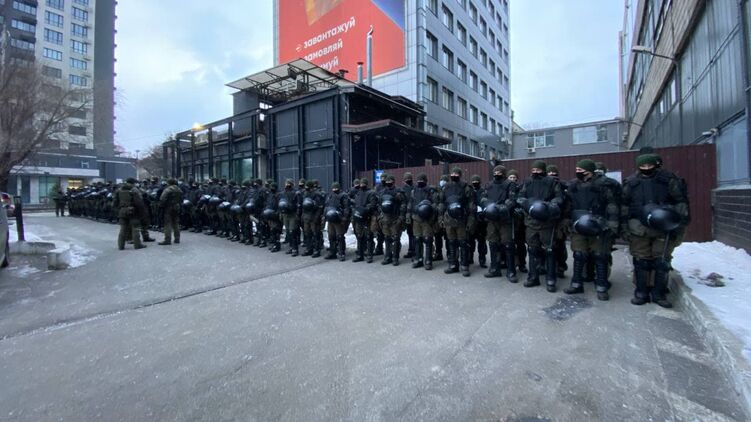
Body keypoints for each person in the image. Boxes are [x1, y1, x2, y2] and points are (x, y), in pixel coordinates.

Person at [621, 153, 690, 308]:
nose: (646, 169)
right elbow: (624, 206)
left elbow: (681, 202)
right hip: (638, 227)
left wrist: (678, 225)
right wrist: (624, 227)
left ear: (655, 165)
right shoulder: (631, 183)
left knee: (662, 261)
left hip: (663, 227)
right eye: (643, 166)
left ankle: (659, 293)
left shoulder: (669, 180)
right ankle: (641, 292)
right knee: (641, 261)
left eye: (649, 166)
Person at [563, 160, 619, 300]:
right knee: (579, 255)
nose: (578, 172)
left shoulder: (603, 185)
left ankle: (601, 286)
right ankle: (576, 284)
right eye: (577, 169)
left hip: (598, 225)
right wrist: (566, 220)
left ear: (590, 171)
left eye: (581, 169)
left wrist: (612, 225)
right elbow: (568, 205)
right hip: (578, 224)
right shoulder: (573, 186)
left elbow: (612, 205)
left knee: (600, 256)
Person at [517, 161, 564, 292]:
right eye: (534, 169)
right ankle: (533, 277)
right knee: (532, 250)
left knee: (550, 251)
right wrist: (527, 204)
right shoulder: (527, 182)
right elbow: (520, 197)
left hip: (547, 223)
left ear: (543, 170)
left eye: (538, 169)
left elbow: (559, 198)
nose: (536, 172)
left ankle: (551, 279)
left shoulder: (552, 182)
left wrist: (548, 206)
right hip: (531, 222)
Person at [482, 165, 518, 282]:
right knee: (493, 243)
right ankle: (494, 268)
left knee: (508, 244)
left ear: (503, 173)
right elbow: (483, 198)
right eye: (495, 171)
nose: (497, 173)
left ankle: (511, 271)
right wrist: (488, 205)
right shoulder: (489, 185)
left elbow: (512, 200)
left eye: (499, 172)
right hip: (492, 219)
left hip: (505, 219)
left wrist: (502, 208)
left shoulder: (509, 184)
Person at [441, 167, 476, 277]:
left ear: (460, 175)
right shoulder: (446, 187)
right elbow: (441, 203)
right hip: (449, 219)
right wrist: (440, 218)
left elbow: (471, 206)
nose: (454, 175)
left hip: (462, 219)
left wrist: (471, 220)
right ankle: (453, 265)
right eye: (452, 173)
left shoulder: (466, 187)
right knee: (451, 242)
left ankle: (464, 265)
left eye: (456, 173)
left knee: (463, 243)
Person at [407, 173, 437, 270]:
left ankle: (428, 260)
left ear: (425, 181)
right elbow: (410, 203)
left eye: (422, 180)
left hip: (427, 219)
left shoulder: (430, 191)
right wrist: (409, 214)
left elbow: (435, 204)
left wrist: (431, 213)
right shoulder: (413, 191)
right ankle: (418, 259)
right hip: (416, 218)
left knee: (428, 240)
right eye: (418, 180)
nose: (419, 182)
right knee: (417, 239)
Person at [377, 175, 407, 265]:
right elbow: (379, 204)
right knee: (387, 238)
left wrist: (401, 217)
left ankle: (395, 257)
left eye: (390, 181)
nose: (388, 183)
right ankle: (388, 256)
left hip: (395, 217)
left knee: (396, 238)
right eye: (387, 181)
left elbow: (403, 205)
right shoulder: (382, 192)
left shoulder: (399, 192)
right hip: (386, 218)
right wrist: (381, 215)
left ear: (394, 182)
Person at [547, 164, 569, 278]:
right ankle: (546, 266)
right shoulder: (544, 186)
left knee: (560, 245)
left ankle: (561, 267)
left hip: (560, 220)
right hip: (547, 221)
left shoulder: (563, 185)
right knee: (547, 245)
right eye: (549, 174)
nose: (551, 176)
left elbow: (568, 203)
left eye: (553, 174)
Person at [113, 178, 146, 250]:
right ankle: (137, 245)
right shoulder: (134, 190)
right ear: (133, 183)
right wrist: (142, 212)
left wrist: (119, 209)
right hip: (133, 211)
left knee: (123, 228)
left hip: (122, 210)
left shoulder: (119, 190)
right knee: (135, 228)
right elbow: (139, 202)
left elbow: (115, 202)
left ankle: (121, 246)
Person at [352, 178, 378, 263]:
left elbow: (373, 204)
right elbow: (356, 204)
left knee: (369, 236)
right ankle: (360, 255)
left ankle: (369, 255)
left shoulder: (371, 193)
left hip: (368, 217)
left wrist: (365, 210)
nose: (362, 185)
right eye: (361, 184)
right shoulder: (358, 193)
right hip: (359, 217)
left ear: (366, 184)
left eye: (363, 184)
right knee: (359, 236)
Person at [507, 169, 527, 273]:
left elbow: (523, 201)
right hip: (509, 221)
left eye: (514, 178)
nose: (512, 179)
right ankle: (510, 264)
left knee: (520, 244)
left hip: (519, 221)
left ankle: (522, 264)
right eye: (510, 177)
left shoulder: (521, 189)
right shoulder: (505, 188)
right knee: (509, 244)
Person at [324, 182, 350, 261]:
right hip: (330, 218)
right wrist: (324, 215)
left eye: (336, 188)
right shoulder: (330, 195)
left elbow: (346, 207)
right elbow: (327, 206)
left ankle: (342, 253)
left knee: (340, 236)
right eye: (333, 188)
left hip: (339, 219)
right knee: (331, 236)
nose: (334, 189)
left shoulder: (343, 195)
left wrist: (345, 217)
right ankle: (332, 252)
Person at [468, 174, 488, 268]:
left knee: (482, 241)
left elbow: (484, 202)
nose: (475, 183)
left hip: (481, 219)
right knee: (470, 240)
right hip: (471, 219)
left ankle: (482, 260)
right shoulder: (469, 191)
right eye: (473, 181)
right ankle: (470, 258)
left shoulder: (483, 191)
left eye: (477, 181)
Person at [279, 179, 302, 256]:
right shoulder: (283, 193)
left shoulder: (296, 193)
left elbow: (299, 205)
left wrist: (298, 215)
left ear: (292, 184)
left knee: (293, 232)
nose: (287, 185)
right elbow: (281, 202)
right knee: (288, 232)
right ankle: (291, 247)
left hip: (293, 214)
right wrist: (281, 213)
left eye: (289, 183)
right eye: (286, 183)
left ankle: (295, 249)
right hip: (285, 214)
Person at [301, 180, 324, 257]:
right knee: (307, 233)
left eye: (308, 188)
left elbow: (320, 207)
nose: (306, 189)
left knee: (316, 234)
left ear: (311, 187)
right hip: (306, 217)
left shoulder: (317, 195)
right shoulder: (305, 194)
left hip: (314, 217)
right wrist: (303, 215)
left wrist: (317, 217)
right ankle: (309, 249)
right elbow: (303, 206)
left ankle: (317, 250)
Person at [158, 179, 183, 245]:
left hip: (168, 207)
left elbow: (162, 199)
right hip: (177, 207)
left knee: (167, 223)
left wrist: (161, 206)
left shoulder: (167, 189)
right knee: (176, 223)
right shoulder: (179, 190)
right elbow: (181, 199)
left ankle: (167, 239)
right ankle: (177, 238)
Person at [402, 172, 416, 260]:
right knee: (410, 233)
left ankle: (415, 251)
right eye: (406, 179)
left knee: (414, 234)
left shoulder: (415, 188)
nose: (407, 181)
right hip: (407, 214)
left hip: (414, 213)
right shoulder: (403, 189)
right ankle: (410, 250)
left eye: (409, 179)